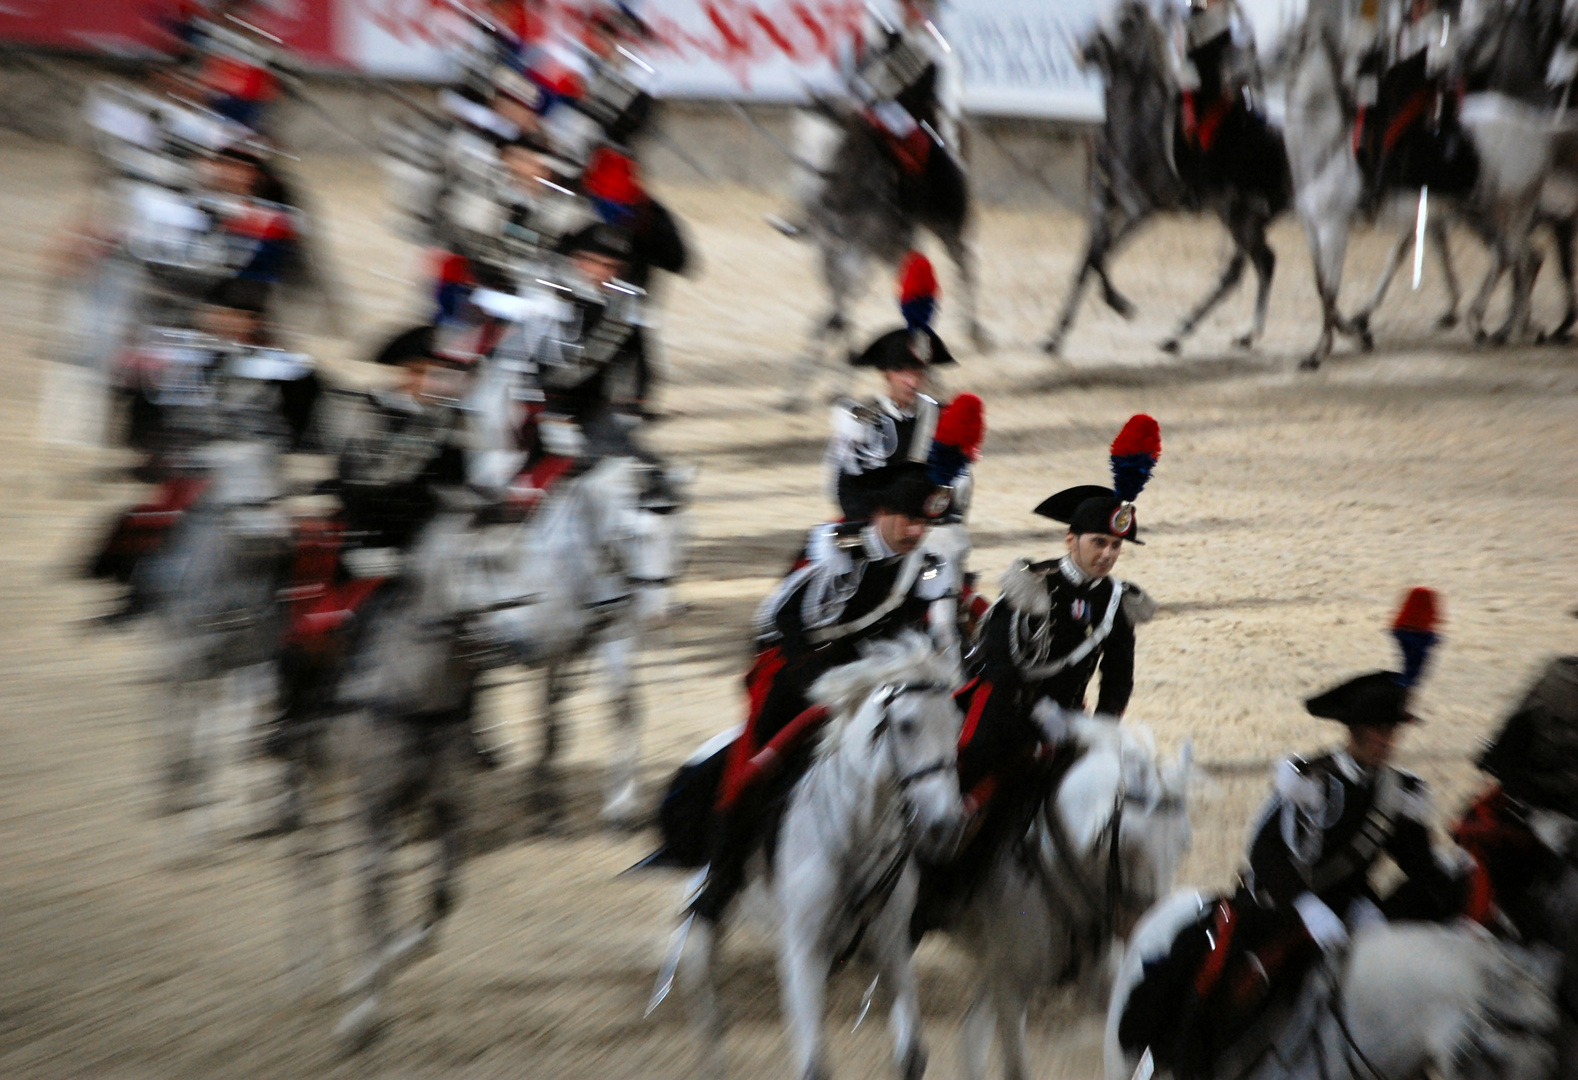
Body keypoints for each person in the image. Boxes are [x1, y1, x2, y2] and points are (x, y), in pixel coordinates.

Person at [1118, 588, 1469, 1076]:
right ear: (1356, 732)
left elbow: (1419, 862)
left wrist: (1447, 882)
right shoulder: (1313, 781)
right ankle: (1183, 1064)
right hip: (1276, 909)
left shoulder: (1400, 793)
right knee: (1229, 980)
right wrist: (1306, 907)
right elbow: (1265, 854)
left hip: (1350, 917)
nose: (1388, 741)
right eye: (1380, 731)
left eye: (1394, 732)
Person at [688, 464, 958, 926]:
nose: (917, 531)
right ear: (883, 514)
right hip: (797, 664)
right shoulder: (839, 550)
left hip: (870, 671)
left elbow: (915, 625)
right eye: (908, 520)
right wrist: (819, 683)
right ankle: (724, 875)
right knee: (759, 759)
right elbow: (791, 621)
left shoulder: (924, 565)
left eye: (925, 523)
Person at [823, 252, 955, 517]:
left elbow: (956, 490)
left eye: (918, 371)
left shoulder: (943, 419)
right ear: (886, 374)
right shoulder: (862, 421)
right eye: (902, 372)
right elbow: (844, 490)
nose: (912, 380)